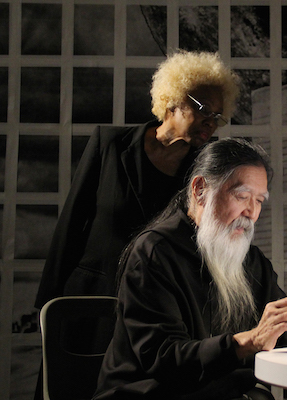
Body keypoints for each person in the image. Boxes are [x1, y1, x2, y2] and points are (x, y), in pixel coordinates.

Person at [93, 138, 287, 400]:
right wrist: (249, 341)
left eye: (259, 201)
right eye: (241, 196)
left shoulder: (250, 260)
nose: (251, 213)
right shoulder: (153, 253)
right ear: (200, 189)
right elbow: (164, 359)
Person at [33, 50, 240, 400]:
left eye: (218, 116)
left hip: (155, 311)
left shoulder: (207, 169)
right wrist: (45, 307)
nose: (211, 123)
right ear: (172, 101)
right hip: (89, 302)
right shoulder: (109, 144)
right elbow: (71, 224)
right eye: (204, 109)